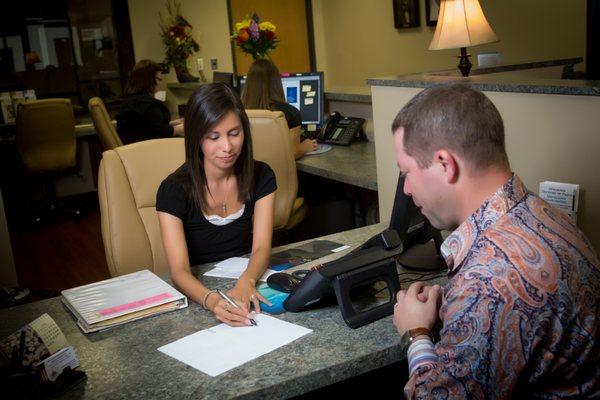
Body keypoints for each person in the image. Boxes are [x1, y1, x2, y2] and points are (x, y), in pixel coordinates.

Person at [391, 84, 600, 398]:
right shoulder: (543, 213)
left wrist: (415, 332)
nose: (406, 189)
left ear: (445, 164)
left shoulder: (488, 283)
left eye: (406, 171)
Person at [156, 82, 275, 327]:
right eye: (213, 137)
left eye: (234, 133)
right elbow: (178, 271)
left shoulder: (262, 175)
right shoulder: (173, 190)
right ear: (196, 139)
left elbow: (262, 246)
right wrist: (211, 301)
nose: (227, 147)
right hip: (199, 293)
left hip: (246, 280)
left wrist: (247, 280)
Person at [241, 59, 317, 159]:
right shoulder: (291, 113)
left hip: (249, 172)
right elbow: (293, 153)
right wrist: (306, 146)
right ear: (276, 83)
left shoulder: (239, 111)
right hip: (276, 173)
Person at [116, 59, 184, 144]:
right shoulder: (146, 104)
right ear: (149, 79)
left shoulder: (130, 101)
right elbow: (160, 133)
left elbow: (146, 127)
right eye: (159, 79)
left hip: (133, 149)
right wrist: (181, 128)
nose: (160, 84)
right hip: (145, 151)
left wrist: (172, 123)